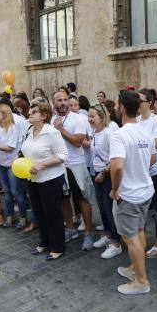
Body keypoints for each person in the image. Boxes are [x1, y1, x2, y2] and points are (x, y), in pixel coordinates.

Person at [109, 91, 156, 295]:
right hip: (145, 191)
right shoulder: (145, 131)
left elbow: (117, 167)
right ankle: (135, 268)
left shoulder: (119, 134)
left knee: (130, 237)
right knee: (138, 231)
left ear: (121, 107)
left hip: (128, 194)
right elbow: (153, 159)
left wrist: (114, 189)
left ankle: (141, 281)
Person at [21, 101, 68, 261]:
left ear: (43, 116)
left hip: (50, 178)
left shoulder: (52, 132)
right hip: (32, 178)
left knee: (52, 213)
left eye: (34, 111)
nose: (30, 113)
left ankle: (58, 247)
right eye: (30, 111)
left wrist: (42, 164)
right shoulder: (30, 130)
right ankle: (44, 242)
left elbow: (62, 155)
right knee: (38, 211)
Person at [51, 90, 97, 250]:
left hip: (76, 165)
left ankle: (88, 234)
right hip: (59, 165)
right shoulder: (52, 119)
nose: (63, 103)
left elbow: (78, 142)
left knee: (82, 199)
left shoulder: (79, 118)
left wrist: (61, 130)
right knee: (63, 198)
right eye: (59, 100)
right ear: (53, 103)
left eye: (65, 100)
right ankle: (70, 229)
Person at [88, 103, 123, 259]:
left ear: (102, 117)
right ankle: (108, 234)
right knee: (101, 208)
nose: (89, 119)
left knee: (109, 209)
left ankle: (116, 242)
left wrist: (103, 172)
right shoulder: (95, 132)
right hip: (96, 174)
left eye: (92, 116)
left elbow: (115, 158)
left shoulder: (109, 133)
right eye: (89, 116)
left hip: (106, 175)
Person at [136, 89, 157, 259]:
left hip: (154, 171)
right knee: (141, 208)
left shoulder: (156, 121)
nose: (138, 102)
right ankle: (140, 239)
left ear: (149, 103)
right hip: (140, 172)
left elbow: (153, 147)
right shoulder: (136, 121)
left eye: (140, 100)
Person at [0, 103, 28, 228]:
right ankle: (10, 216)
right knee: (6, 192)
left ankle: (23, 217)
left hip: (12, 164)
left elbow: (10, 147)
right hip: (1, 164)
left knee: (16, 191)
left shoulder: (12, 127)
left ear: (4, 114)